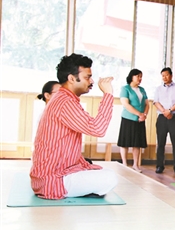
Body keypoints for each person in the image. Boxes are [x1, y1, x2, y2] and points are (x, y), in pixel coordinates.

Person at [30, 53, 118, 200]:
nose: (91, 81)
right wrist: (108, 94)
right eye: (87, 77)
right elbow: (98, 129)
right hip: (53, 180)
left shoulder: (65, 99)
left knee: (99, 172)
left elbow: (91, 125)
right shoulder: (65, 102)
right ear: (71, 78)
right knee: (110, 178)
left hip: (54, 175)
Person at [153, 67, 175, 175]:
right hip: (162, 117)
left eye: (166, 75)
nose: (164, 77)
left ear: (171, 75)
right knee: (160, 143)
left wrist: (170, 111)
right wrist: (164, 112)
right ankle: (159, 166)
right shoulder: (158, 89)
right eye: (163, 75)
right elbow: (156, 102)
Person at [117, 69, 149, 172]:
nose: (140, 79)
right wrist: (139, 114)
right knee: (125, 142)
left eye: (141, 77)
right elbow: (126, 104)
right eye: (138, 76)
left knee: (137, 143)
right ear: (132, 76)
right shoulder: (125, 88)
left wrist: (144, 114)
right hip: (128, 118)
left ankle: (135, 165)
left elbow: (147, 104)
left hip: (140, 120)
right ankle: (124, 164)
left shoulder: (142, 89)